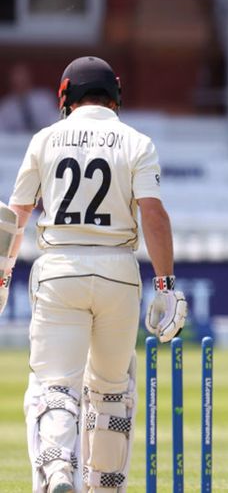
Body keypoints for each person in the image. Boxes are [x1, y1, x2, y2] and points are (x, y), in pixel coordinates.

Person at [0, 56, 188, 493]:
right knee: (110, 390)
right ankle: (104, 485)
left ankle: (60, 472)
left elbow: (16, 215)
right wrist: (166, 286)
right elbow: (155, 216)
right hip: (118, 274)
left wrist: (3, 274)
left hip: (60, 270)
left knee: (55, 387)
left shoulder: (45, 139)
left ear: (65, 96)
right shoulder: (136, 141)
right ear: (115, 95)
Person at [0, 63, 60, 134]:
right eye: (17, 80)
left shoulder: (44, 98)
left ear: (29, 79)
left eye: (22, 79)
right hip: (17, 142)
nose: (20, 82)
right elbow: (2, 131)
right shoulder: (6, 106)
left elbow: (56, 121)